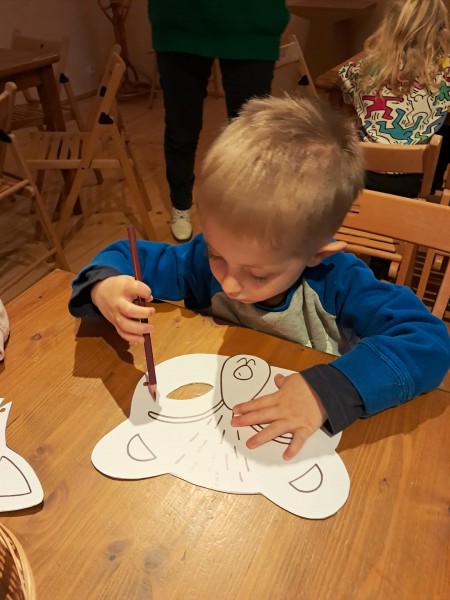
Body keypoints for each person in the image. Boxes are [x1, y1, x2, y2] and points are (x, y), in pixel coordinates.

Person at [68, 95, 450, 461]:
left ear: (316, 254)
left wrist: (328, 390)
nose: (229, 284)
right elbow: (126, 255)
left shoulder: (340, 280)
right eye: (217, 254)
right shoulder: (201, 260)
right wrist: (105, 286)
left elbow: (430, 343)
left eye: (257, 273)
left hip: (314, 434)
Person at [147, 0, 290, 241]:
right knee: (181, 128)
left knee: (251, 132)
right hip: (180, 19)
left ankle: (247, 208)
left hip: (253, 18)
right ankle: (180, 203)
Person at [338, 0, 450, 198]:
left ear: (389, 27)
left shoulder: (363, 71)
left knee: (350, 119)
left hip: (360, 172)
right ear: (440, 32)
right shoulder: (445, 78)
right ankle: (435, 194)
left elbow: (343, 78)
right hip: (410, 184)